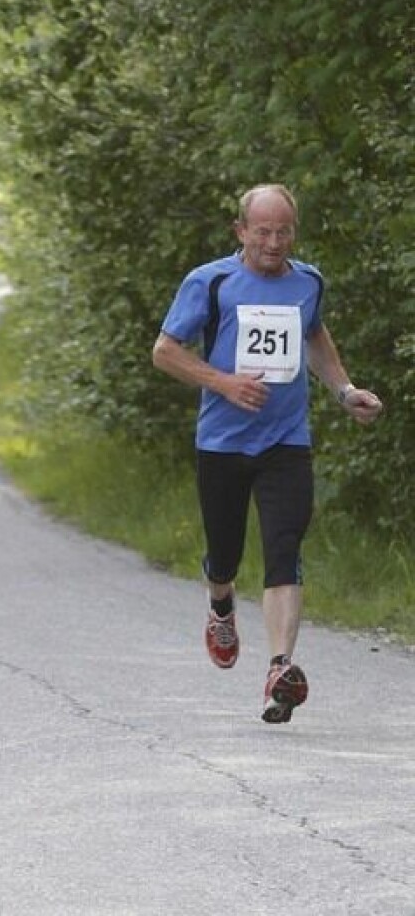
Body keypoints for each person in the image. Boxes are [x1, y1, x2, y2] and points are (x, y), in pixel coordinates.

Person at [152, 184, 382, 723]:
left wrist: (345, 391)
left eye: (283, 232)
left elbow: (316, 336)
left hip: (286, 440)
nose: (274, 243)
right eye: (263, 232)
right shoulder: (210, 282)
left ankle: (280, 668)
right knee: (225, 554)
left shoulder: (308, 282)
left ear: (293, 233)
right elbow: (165, 351)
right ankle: (220, 603)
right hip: (224, 442)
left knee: (285, 548)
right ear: (241, 232)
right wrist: (223, 382)